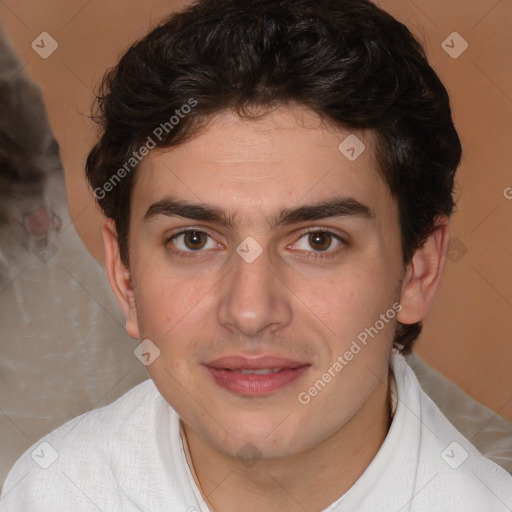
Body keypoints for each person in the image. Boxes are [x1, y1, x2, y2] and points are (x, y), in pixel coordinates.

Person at [1, 0, 511, 510]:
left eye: (318, 241)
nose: (249, 312)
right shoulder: (48, 493)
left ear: (417, 271)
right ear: (124, 276)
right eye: (194, 240)